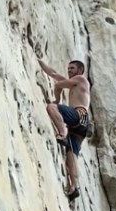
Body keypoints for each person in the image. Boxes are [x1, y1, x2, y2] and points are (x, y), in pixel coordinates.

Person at [38, 56, 92, 201]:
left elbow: (57, 85)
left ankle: (62, 132)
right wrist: (40, 62)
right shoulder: (75, 83)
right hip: (82, 125)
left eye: (72, 69)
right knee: (71, 154)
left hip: (79, 115)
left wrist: (56, 100)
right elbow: (54, 74)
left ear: (80, 70)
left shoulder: (81, 79)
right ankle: (74, 186)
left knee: (51, 107)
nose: (69, 72)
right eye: (68, 69)